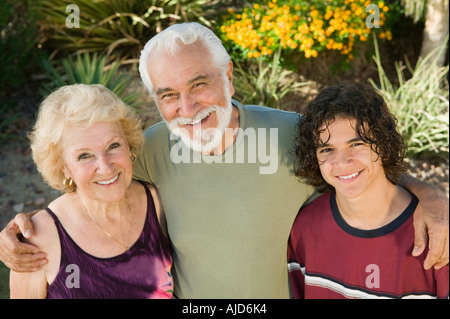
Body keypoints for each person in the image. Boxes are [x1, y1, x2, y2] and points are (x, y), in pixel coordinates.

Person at [1, 23, 448, 299]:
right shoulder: (149, 151)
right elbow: (90, 181)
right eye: (169, 95)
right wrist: (24, 230)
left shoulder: (290, 134)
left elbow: (357, 166)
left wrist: (429, 194)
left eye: (199, 84)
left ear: (228, 74)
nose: (188, 107)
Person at [9, 84, 173, 298]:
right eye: (84, 156)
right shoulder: (39, 239)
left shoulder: (156, 201)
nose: (105, 167)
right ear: (63, 167)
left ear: (129, 144)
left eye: (113, 146)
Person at [288, 83, 449, 299]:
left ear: (382, 144)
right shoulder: (304, 230)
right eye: (327, 149)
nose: (342, 162)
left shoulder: (438, 236)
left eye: (356, 144)